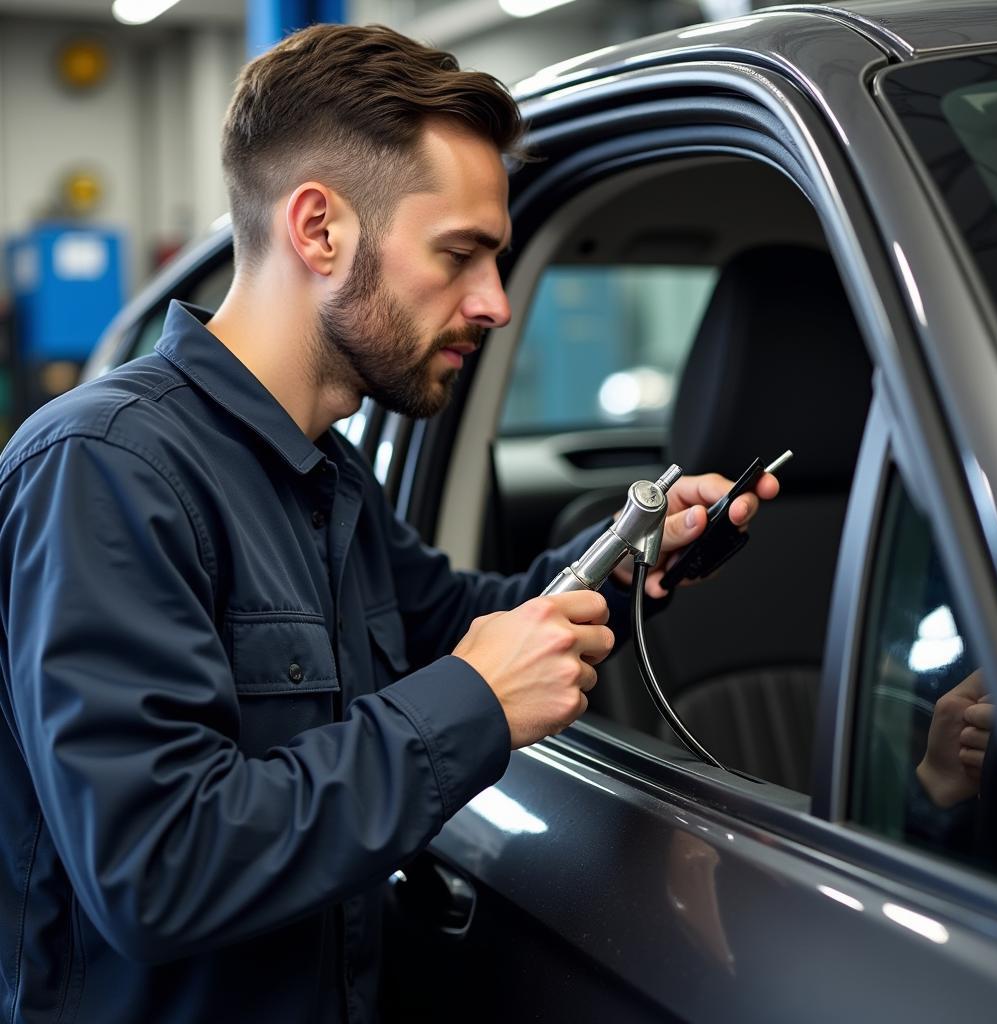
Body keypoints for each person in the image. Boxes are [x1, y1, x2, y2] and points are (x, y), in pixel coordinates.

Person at [0, 23, 778, 1024]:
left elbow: (457, 622)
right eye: (460, 254)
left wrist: (632, 564)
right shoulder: (105, 469)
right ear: (319, 229)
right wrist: (472, 705)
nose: (495, 303)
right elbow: (156, 866)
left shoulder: (327, 472)